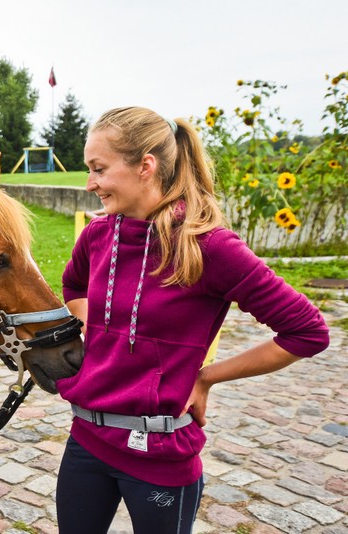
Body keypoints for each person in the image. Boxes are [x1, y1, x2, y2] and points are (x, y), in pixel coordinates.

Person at [55, 106, 330, 533]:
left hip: (161, 456)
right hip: (86, 441)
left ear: (145, 166)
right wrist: (99, 329)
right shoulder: (97, 235)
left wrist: (207, 377)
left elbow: (307, 331)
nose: (89, 183)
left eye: (99, 169)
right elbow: (73, 285)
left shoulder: (209, 248)